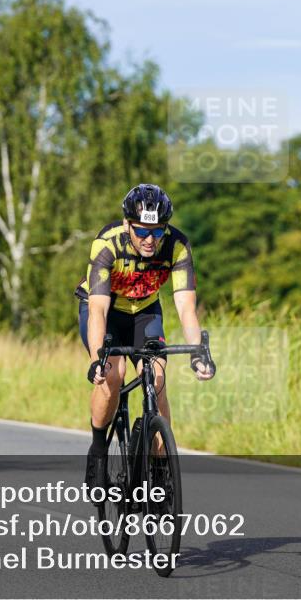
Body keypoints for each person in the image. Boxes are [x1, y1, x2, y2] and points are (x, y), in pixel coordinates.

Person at [75, 183, 215, 496]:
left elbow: (185, 307)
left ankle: (161, 465)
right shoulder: (107, 244)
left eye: (157, 231)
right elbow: (97, 309)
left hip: (145, 310)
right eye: (141, 231)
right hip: (105, 309)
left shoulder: (177, 246)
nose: (150, 240)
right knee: (113, 374)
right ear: (127, 225)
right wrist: (97, 358)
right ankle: (98, 451)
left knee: (158, 377)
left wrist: (197, 354)